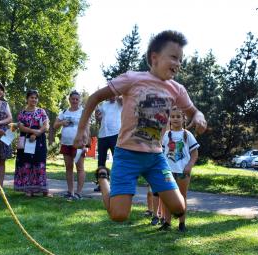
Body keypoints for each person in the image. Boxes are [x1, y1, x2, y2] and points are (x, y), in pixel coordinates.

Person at [73, 30, 207, 227]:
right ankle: (103, 178)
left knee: (179, 209)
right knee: (118, 215)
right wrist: (82, 130)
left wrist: (199, 116)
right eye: (173, 57)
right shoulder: (132, 79)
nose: (178, 63)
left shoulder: (177, 89)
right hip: (127, 154)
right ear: (154, 57)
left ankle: (160, 198)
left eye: (180, 59)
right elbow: (94, 98)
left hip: (155, 158)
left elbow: (193, 111)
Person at [159, 107, 199, 232]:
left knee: (182, 196)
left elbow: (195, 154)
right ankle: (167, 222)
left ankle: (182, 224)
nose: (175, 119)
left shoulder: (187, 135)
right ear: (169, 119)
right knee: (166, 197)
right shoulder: (166, 135)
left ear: (183, 119)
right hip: (167, 172)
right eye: (173, 116)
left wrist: (189, 166)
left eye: (178, 116)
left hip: (183, 172)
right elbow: (161, 152)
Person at [14, 90, 52, 197]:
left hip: (39, 141)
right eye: (31, 97)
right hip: (26, 139)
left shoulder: (41, 111)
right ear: (27, 99)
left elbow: (46, 125)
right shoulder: (23, 113)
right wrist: (32, 131)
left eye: (35, 98)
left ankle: (43, 189)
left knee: (39, 163)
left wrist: (38, 132)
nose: (34, 100)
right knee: (27, 163)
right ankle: (28, 189)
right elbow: (20, 126)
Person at [53, 90, 85, 200]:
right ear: (69, 100)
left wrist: (85, 141)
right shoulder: (64, 111)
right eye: (73, 99)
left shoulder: (83, 111)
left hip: (78, 144)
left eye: (77, 99)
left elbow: (87, 127)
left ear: (79, 100)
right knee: (69, 168)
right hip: (66, 143)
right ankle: (70, 191)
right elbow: (55, 125)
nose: (75, 101)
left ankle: (79, 193)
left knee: (80, 168)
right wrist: (62, 123)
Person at [94, 96, 122, 192]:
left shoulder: (119, 102)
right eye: (110, 94)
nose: (111, 96)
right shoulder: (103, 105)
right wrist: (97, 117)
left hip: (115, 134)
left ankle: (116, 184)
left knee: (117, 160)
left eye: (113, 94)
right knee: (101, 161)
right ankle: (101, 184)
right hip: (103, 135)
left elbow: (123, 99)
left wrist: (117, 93)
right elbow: (98, 117)